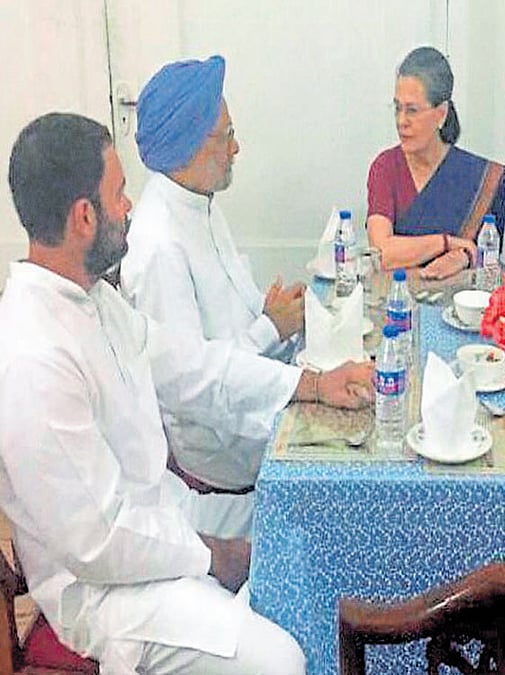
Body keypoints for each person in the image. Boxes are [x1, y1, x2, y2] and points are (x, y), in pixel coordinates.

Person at [0, 112, 373, 673]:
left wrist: (311, 384)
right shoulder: (35, 352)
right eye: (119, 194)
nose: (130, 207)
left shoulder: (92, 300)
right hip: (105, 593)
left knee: (307, 522)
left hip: (165, 518)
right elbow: (99, 541)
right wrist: (212, 556)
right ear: (83, 217)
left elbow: (191, 366)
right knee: (280, 660)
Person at [120, 55, 303, 364]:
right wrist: (271, 327)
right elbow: (190, 382)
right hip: (218, 409)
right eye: (227, 135)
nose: (236, 148)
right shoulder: (160, 245)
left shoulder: (199, 203)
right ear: (188, 145)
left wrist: (271, 311)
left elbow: (232, 321)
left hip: (252, 380)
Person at [366, 46, 505, 280]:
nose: (401, 121)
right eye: (397, 108)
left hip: (461, 303)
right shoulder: (385, 167)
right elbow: (381, 253)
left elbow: (487, 255)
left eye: (412, 110)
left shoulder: (480, 177)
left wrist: (464, 256)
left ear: (441, 113)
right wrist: (446, 243)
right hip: (397, 302)